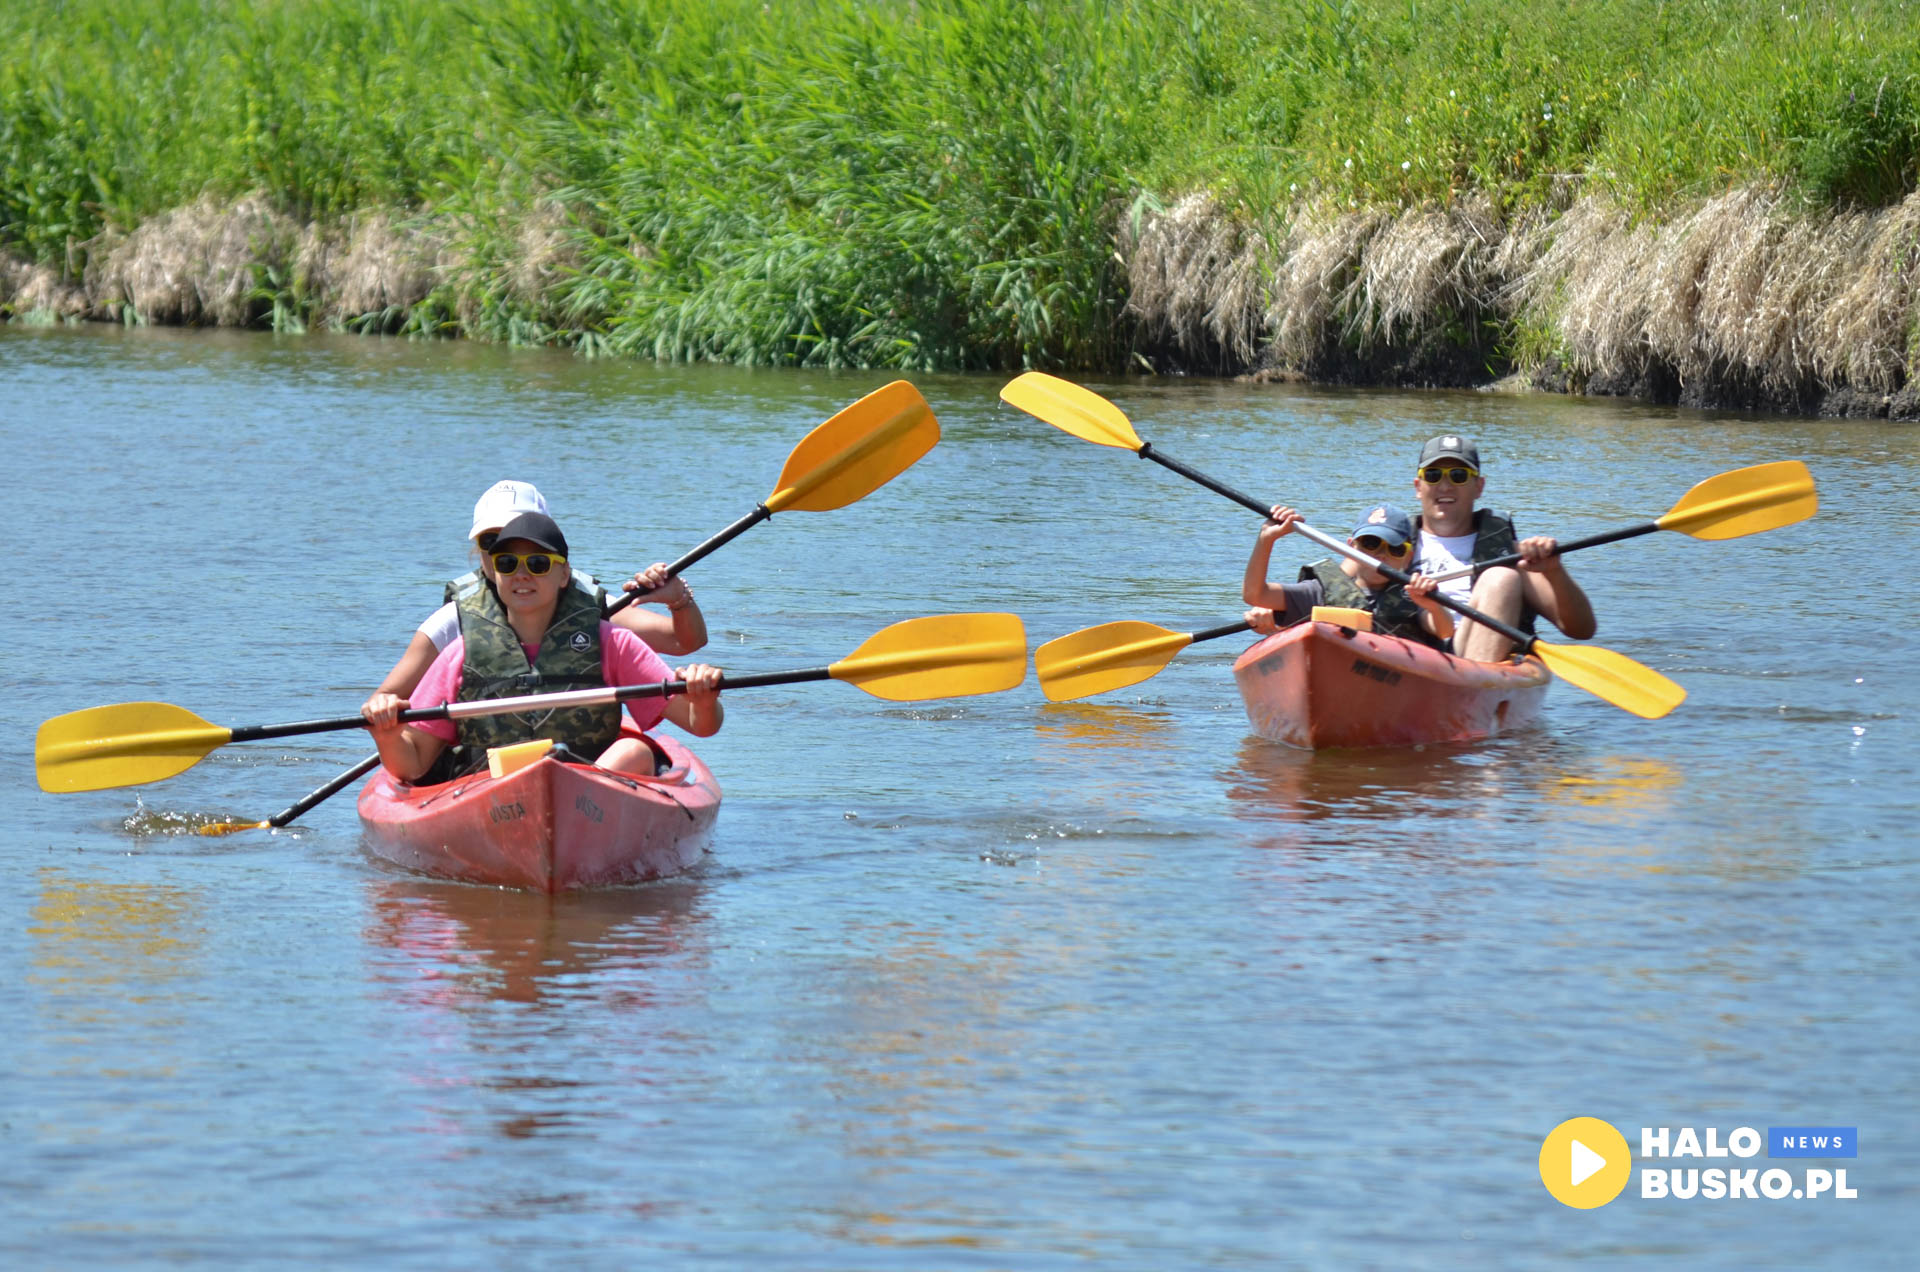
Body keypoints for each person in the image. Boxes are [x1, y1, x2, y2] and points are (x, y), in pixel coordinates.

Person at [363, 511, 724, 783]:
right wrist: (386, 732)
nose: (522, 575)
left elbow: (702, 725)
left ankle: (577, 802)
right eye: (508, 563)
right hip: (493, 791)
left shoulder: (613, 643)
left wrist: (704, 699)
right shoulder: (459, 654)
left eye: (538, 564)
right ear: (495, 573)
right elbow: (412, 764)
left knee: (634, 751)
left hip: (593, 792)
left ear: (564, 574)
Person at [363, 479, 707, 721]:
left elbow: (685, 641)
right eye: (492, 542)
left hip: (573, 755)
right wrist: (386, 717)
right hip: (482, 765)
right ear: (478, 550)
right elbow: (384, 698)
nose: (509, 549)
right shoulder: (453, 622)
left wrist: (678, 599)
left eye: (521, 538)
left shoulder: (589, 609)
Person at [1407, 435, 1595, 661]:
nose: (1445, 486)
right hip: (1402, 659)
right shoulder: (1385, 546)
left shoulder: (1512, 555)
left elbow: (1582, 629)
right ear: (1418, 487)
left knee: (1501, 578)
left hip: (1471, 664)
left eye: (1458, 476)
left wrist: (1554, 572)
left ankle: (1475, 684)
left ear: (1479, 487)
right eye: (1433, 475)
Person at [1242, 503, 1454, 648]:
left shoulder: (1413, 595)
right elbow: (1255, 595)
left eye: (1395, 549)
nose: (1381, 555)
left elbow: (1444, 631)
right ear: (1351, 547)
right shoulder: (1320, 591)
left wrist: (1433, 605)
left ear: (1407, 557)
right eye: (1371, 544)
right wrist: (1266, 540)